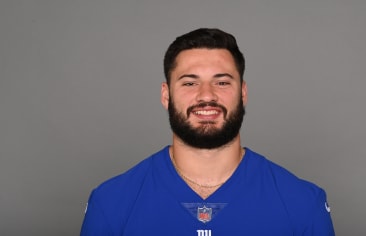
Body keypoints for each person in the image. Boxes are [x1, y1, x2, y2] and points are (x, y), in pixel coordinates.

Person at [80, 28, 335, 235]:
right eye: (190, 83)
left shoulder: (302, 203)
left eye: (222, 82)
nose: (206, 95)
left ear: (243, 93)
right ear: (166, 96)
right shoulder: (111, 203)